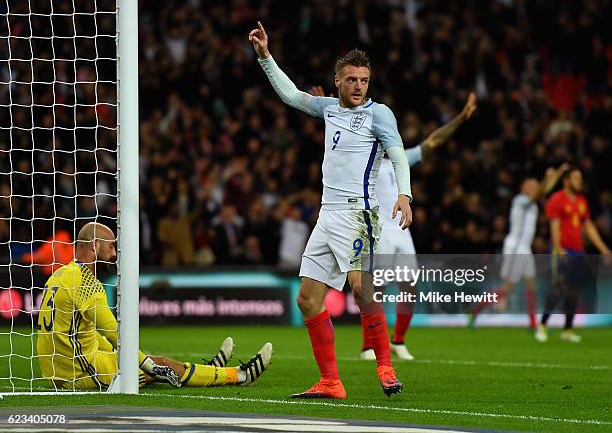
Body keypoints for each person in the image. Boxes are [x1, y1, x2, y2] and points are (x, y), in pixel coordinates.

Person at [250, 21, 412, 399]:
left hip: (359, 214)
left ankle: (385, 367)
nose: (359, 85)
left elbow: (399, 154)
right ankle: (331, 382)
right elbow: (291, 95)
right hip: (327, 216)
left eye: (364, 80)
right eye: (352, 79)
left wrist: (404, 194)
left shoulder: (379, 114)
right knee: (306, 299)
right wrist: (265, 57)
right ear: (337, 82)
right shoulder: (327, 109)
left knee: (360, 287)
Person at [310, 87, 477, 360]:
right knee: (371, 288)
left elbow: (433, 142)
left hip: (401, 230)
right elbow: (341, 143)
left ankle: (399, 341)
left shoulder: (400, 159)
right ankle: (368, 346)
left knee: (409, 285)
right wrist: (330, 106)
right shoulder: (364, 157)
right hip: (376, 229)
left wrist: (460, 118)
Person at [37, 222, 273, 390]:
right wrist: (149, 364)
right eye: (111, 247)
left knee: (143, 361)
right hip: (81, 373)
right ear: (95, 245)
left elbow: (78, 332)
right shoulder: (87, 282)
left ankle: (210, 369)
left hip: (60, 371)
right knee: (161, 363)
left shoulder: (59, 275)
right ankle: (239, 375)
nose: (114, 254)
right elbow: (117, 335)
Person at [468, 165, 568, 329]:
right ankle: (475, 311)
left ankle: (533, 323)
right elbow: (541, 191)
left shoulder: (532, 202)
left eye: (536, 185)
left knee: (531, 284)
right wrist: (550, 176)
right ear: (523, 188)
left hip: (525, 249)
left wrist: (555, 175)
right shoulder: (520, 200)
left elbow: (544, 190)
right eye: (531, 185)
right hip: (515, 248)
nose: (534, 188)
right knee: (506, 289)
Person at [535, 168, 611, 342]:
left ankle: (567, 330)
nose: (579, 181)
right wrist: (558, 247)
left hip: (578, 251)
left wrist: (603, 248)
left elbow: (588, 226)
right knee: (559, 287)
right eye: (576, 178)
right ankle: (543, 325)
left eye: (580, 178)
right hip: (562, 250)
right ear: (566, 181)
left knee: (574, 291)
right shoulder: (557, 199)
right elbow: (554, 225)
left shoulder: (582, 201)